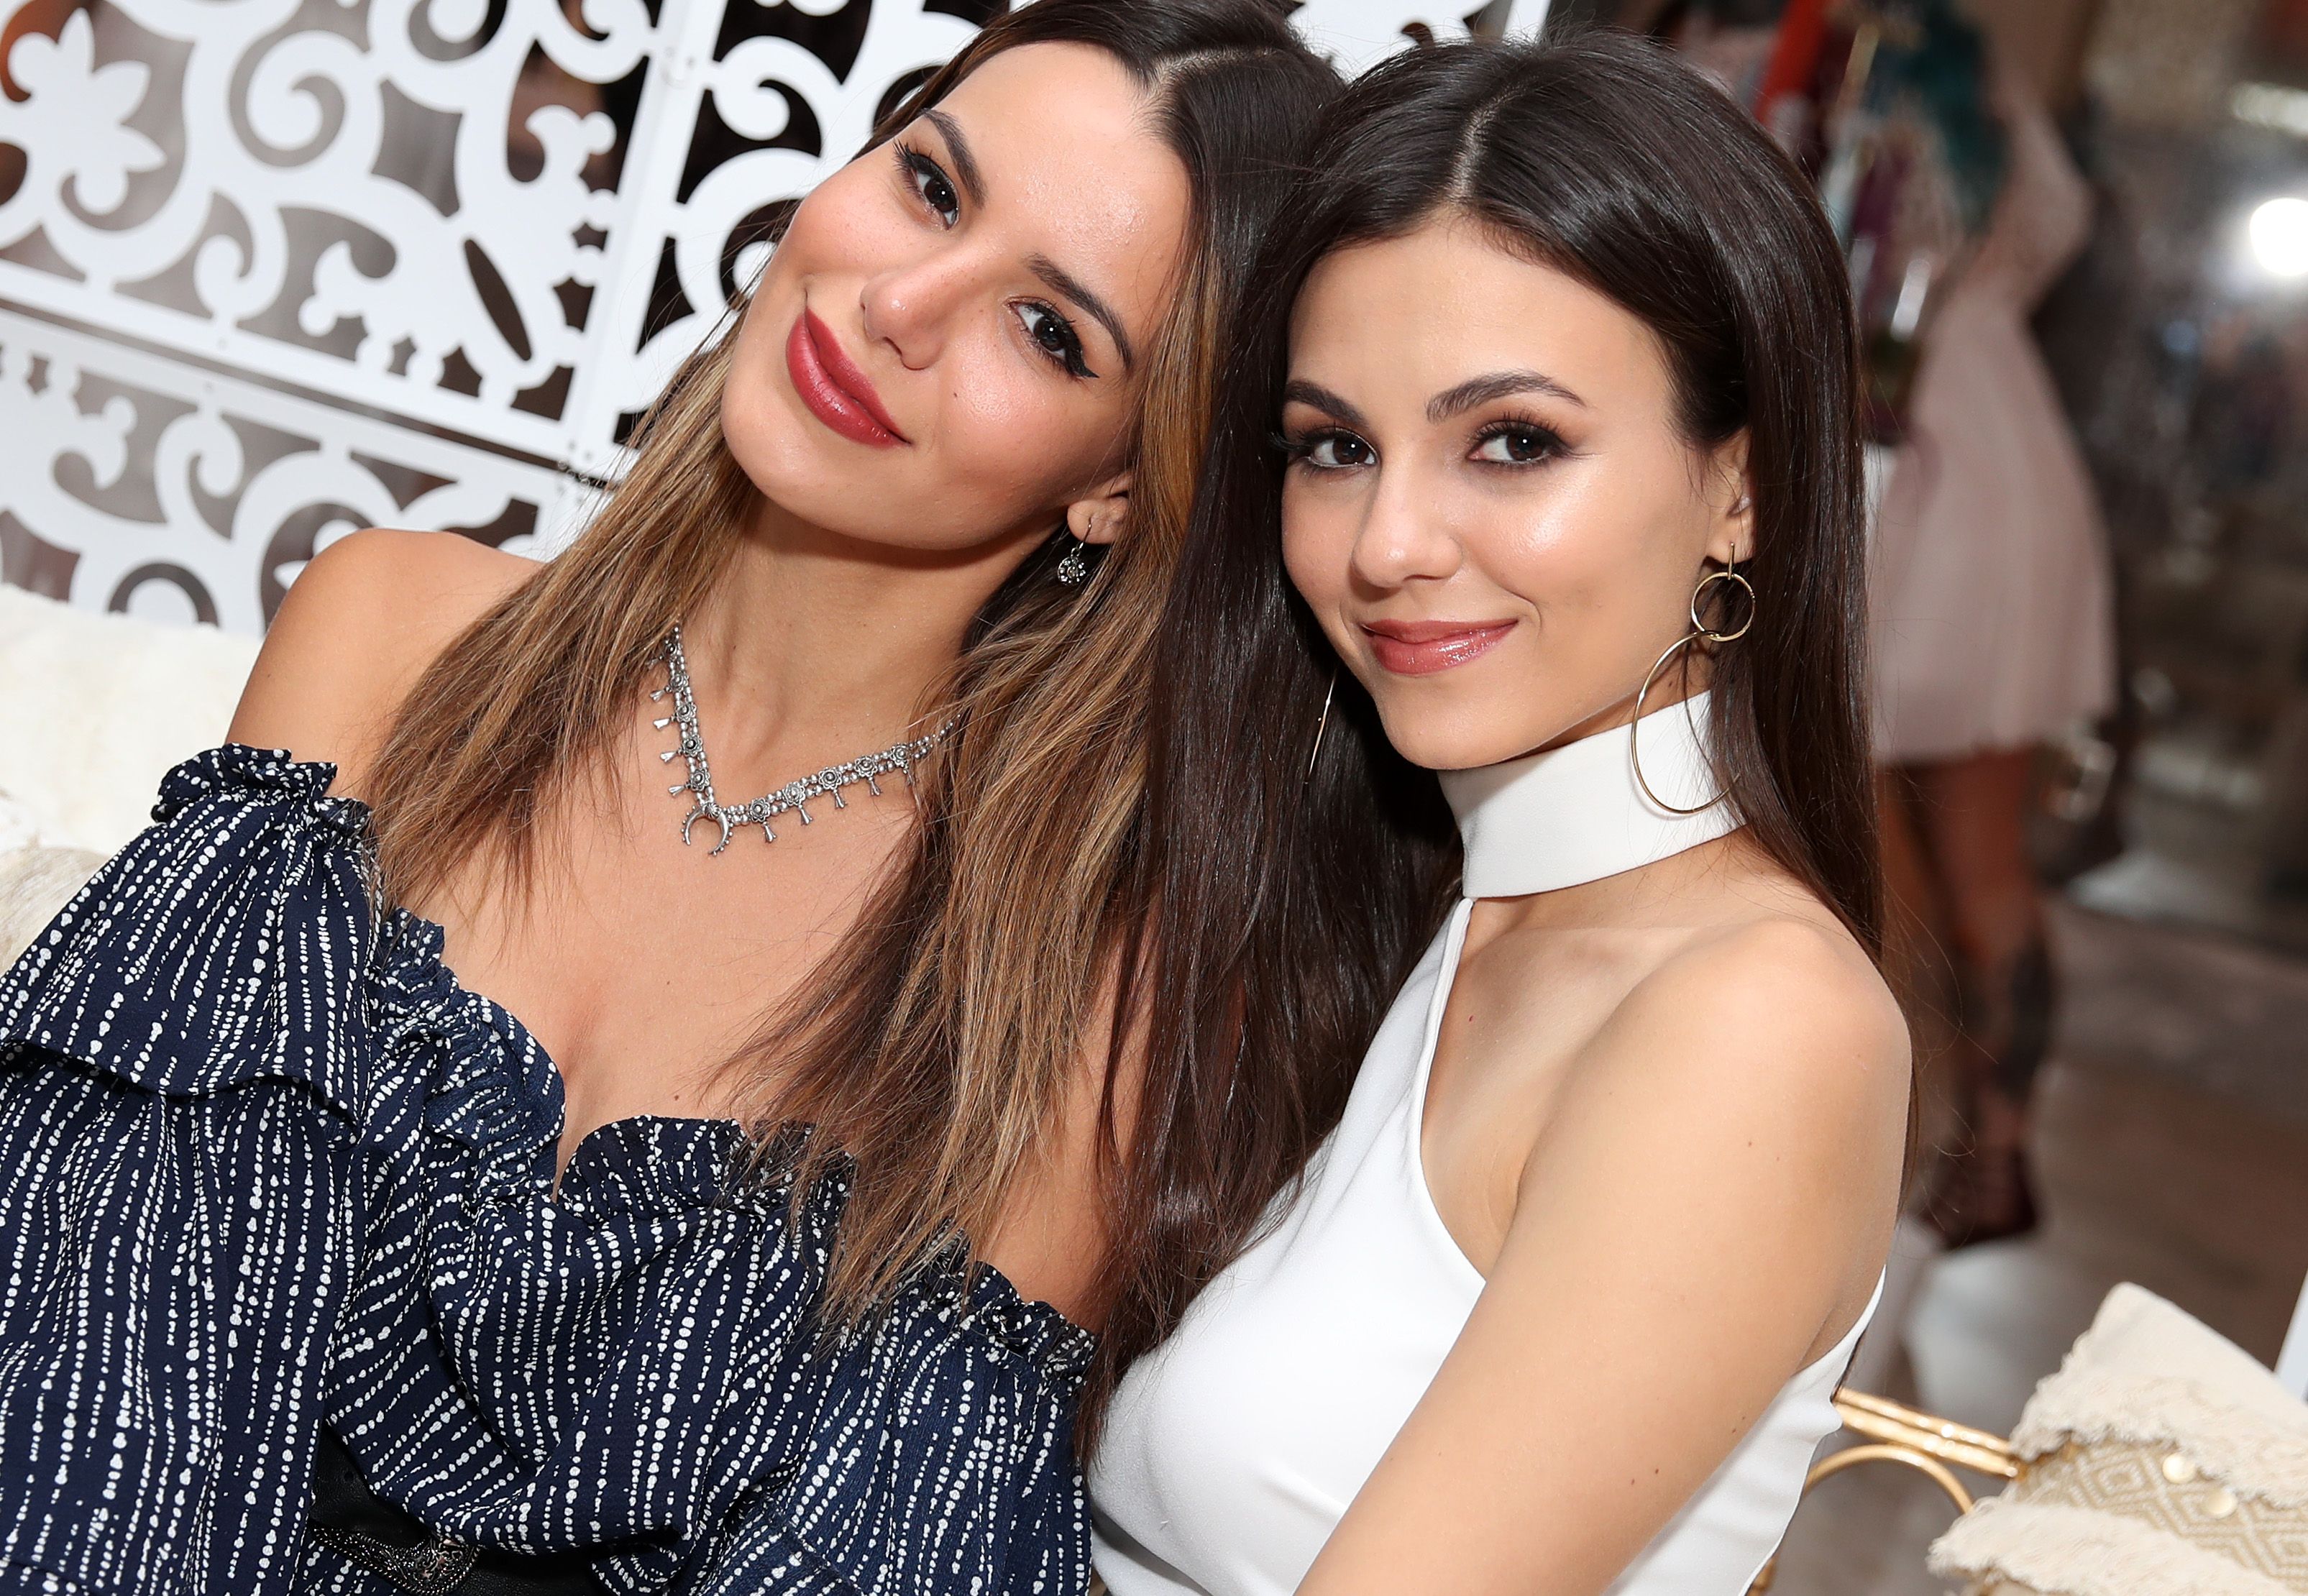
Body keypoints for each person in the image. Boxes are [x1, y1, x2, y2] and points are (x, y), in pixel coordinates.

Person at [0, 6, 1365, 1592]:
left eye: (1048, 331)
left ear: (1122, 485)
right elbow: (107, 1333)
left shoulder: (1080, 991)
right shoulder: (388, 636)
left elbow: (876, 1554)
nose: (900, 305)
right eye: (930, 187)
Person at [1096, 33, 1910, 1596]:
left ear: (1739, 487)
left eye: (1514, 443)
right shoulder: (1430, 906)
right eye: (1334, 448)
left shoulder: (1753, 1022)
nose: (1387, 542)